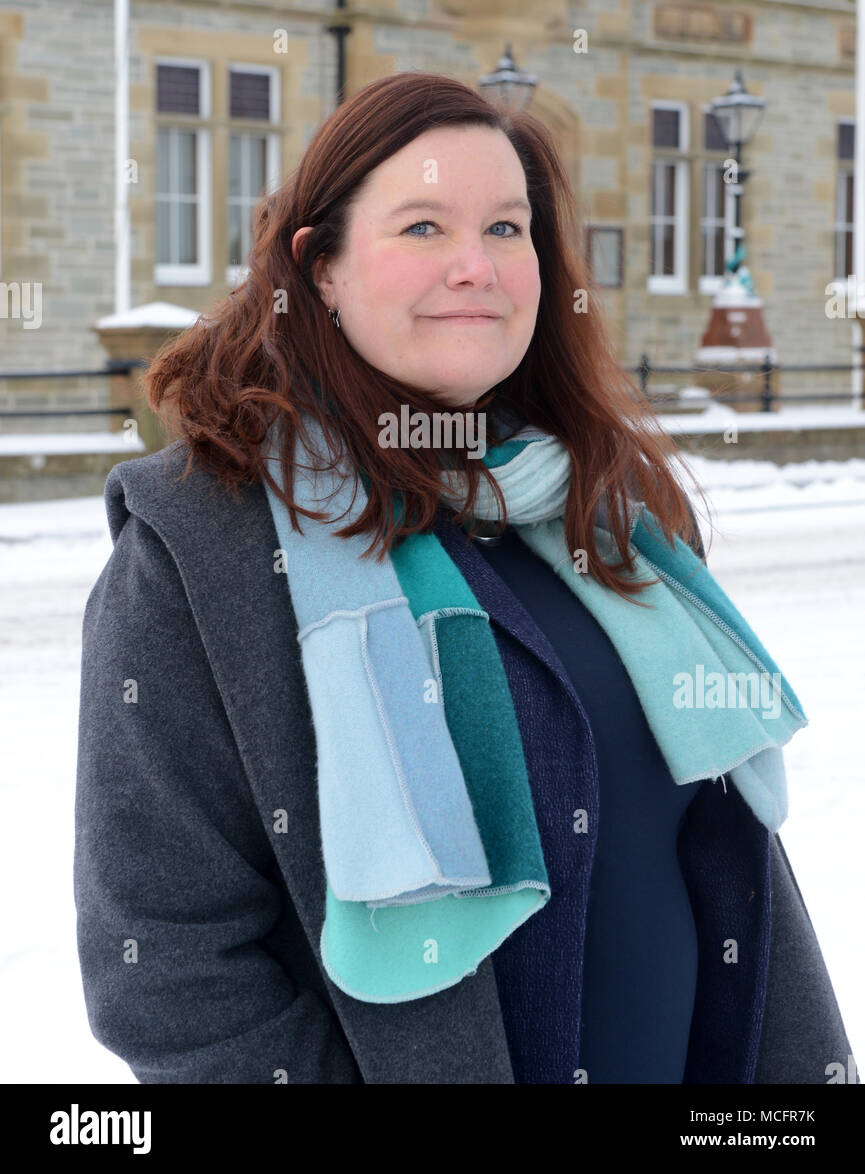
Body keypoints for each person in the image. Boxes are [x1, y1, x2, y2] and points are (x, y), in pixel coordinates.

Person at [74, 71, 856, 1085]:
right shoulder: (202, 545)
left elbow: (728, 861)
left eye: (505, 228)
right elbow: (168, 966)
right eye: (423, 228)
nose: (475, 266)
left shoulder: (611, 515)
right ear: (320, 267)